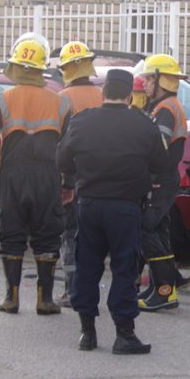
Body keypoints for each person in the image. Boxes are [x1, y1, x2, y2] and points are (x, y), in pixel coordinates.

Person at [57, 68, 168, 354]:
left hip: (89, 205)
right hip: (126, 208)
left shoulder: (81, 122)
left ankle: (87, 333)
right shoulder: (143, 125)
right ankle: (124, 334)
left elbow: (63, 160)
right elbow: (161, 164)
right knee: (123, 268)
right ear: (130, 95)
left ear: (104, 92)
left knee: (87, 266)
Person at [0, 32, 72, 315]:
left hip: (12, 176)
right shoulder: (61, 102)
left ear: (17, 67)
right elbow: (69, 147)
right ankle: (44, 300)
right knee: (47, 235)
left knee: (12, 234)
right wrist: (68, 181)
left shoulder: (2, 100)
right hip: (48, 176)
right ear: (42, 69)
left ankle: (11, 298)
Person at [137, 54, 190, 311]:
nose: (145, 85)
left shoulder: (166, 109)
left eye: (149, 79)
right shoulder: (164, 106)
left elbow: (157, 149)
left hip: (160, 180)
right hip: (162, 179)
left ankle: (165, 292)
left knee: (147, 230)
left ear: (160, 80)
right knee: (158, 232)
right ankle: (161, 288)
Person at [56, 40, 104, 308]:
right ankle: (91, 289)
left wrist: (65, 181)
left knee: (71, 234)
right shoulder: (102, 95)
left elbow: (62, 144)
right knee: (93, 237)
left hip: (75, 180)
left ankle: (71, 291)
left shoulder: (63, 99)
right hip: (101, 177)